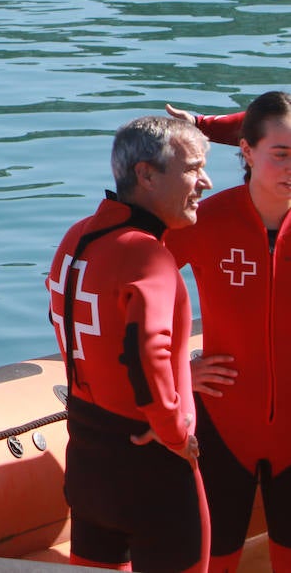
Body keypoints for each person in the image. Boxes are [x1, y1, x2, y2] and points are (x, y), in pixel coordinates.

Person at [45, 115, 211, 572]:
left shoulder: (77, 237)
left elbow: (66, 320)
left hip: (88, 453)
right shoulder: (148, 255)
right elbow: (148, 352)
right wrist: (175, 431)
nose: (206, 182)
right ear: (146, 174)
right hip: (151, 466)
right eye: (193, 168)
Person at [164, 91, 291, 572]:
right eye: (280, 154)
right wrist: (179, 370)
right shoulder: (206, 220)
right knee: (213, 562)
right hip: (223, 425)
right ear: (247, 151)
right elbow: (133, 297)